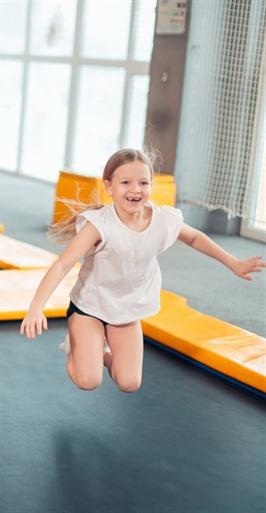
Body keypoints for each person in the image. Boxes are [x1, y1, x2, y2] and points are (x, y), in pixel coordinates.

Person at [20, 148, 265, 392]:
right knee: (89, 380)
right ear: (109, 187)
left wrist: (233, 262)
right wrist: (36, 307)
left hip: (127, 310)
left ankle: (103, 354)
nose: (135, 189)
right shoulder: (100, 224)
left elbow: (194, 238)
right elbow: (62, 264)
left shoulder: (162, 219)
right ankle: (76, 348)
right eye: (125, 182)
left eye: (143, 183)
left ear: (151, 185)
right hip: (90, 307)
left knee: (129, 383)